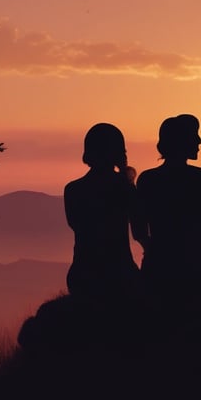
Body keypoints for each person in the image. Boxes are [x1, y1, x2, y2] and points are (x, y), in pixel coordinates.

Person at [133, 114, 201, 301]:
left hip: (158, 269)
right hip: (194, 269)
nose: (200, 141)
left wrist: (155, 252)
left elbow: (139, 229)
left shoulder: (148, 180)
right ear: (182, 141)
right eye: (194, 136)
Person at [63, 123, 142, 304]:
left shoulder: (73, 190)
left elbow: (76, 226)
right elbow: (138, 229)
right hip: (121, 274)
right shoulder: (125, 188)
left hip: (82, 275)